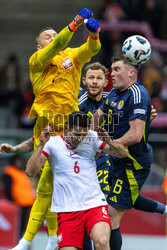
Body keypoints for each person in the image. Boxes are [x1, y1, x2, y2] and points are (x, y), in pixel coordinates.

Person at [9, 8, 101, 250]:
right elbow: (58, 42)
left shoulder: (71, 55)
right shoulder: (37, 60)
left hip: (71, 129)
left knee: (51, 185)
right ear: (39, 46)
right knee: (47, 184)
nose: (52, 37)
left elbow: (91, 50)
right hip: (48, 127)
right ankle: (38, 239)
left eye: (53, 34)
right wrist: (74, 24)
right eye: (46, 37)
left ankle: (38, 240)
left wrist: (94, 35)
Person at [79, 61, 167, 250]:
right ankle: (164, 210)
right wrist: (81, 136)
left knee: (110, 217)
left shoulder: (138, 94)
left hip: (132, 165)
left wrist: (109, 145)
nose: (112, 73)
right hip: (115, 159)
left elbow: (135, 136)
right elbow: (97, 120)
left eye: (116, 69)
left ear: (131, 72)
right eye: (110, 70)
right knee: (113, 202)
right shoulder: (112, 94)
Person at [25, 111, 129, 250]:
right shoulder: (53, 144)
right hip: (67, 210)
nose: (80, 139)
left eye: (84, 135)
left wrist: (110, 142)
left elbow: (123, 154)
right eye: (77, 134)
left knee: (102, 241)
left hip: (94, 205)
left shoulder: (91, 138)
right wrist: (40, 146)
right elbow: (30, 172)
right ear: (66, 127)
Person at [3, 155, 35, 238]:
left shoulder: (21, 172)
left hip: (26, 203)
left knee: (23, 225)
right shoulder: (10, 172)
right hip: (18, 204)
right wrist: (13, 201)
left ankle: (20, 240)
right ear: (13, 162)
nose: (20, 163)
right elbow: (8, 189)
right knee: (18, 226)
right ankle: (16, 241)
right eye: (18, 161)